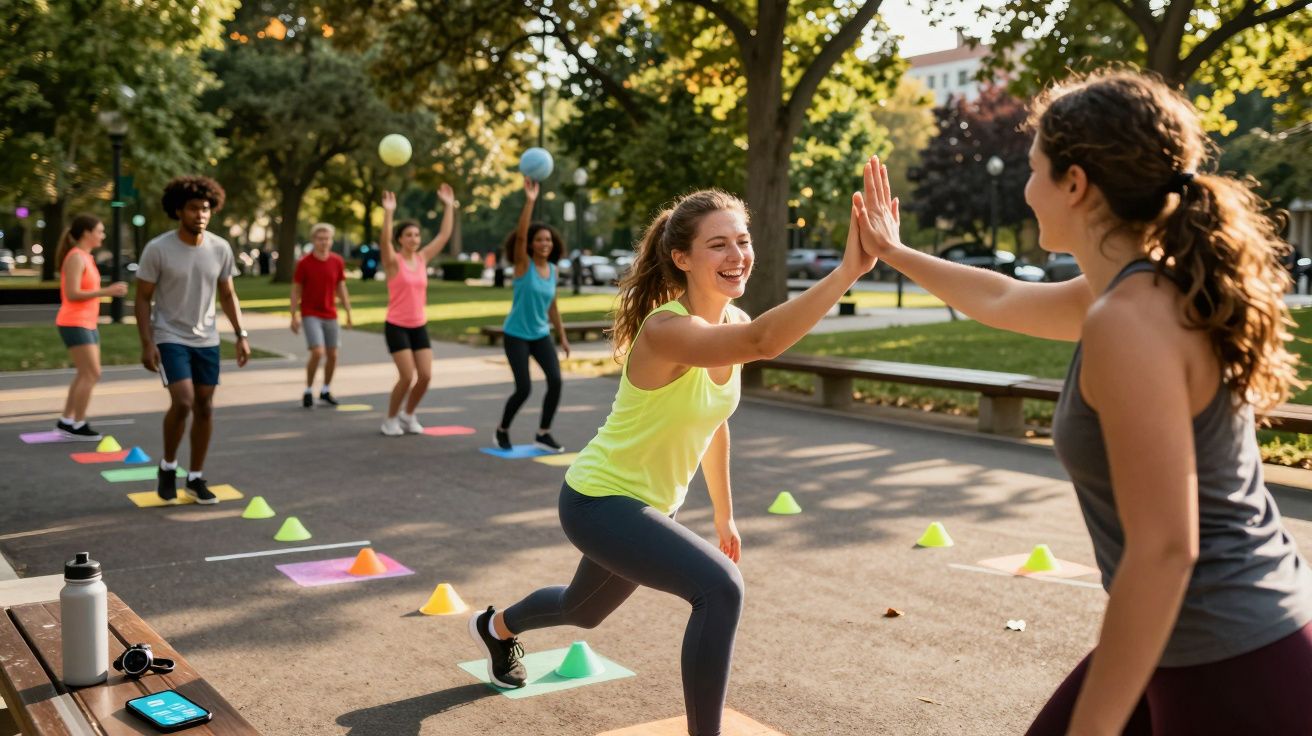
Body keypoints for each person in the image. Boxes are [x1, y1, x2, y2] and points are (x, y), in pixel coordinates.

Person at [851, 70, 1312, 734]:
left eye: (1035, 168)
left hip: (1230, 664)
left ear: (1076, 184)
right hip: (1209, 637)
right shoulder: (1131, 293)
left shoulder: (1128, 318)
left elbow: (1164, 549)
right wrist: (894, 252)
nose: (1026, 188)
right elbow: (1001, 299)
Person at [468, 188, 881, 736]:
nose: (738, 255)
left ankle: (496, 627)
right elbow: (764, 341)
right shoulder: (667, 330)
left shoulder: (732, 319)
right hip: (598, 500)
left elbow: (713, 421)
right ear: (682, 259)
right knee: (721, 588)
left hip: (647, 507)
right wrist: (849, 270)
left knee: (582, 608)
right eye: (719, 245)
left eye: (743, 240)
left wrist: (723, 514)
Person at [136, 176, 250, 504]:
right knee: (183, 401)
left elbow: (228, 294)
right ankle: (168, 466)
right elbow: (142, 298)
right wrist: (147, 341)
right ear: (178, 211)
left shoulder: (220, 248)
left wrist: (241, 335)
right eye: (193, 208)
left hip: (207, 338)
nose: (200, 214)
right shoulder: (158, 249)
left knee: (204, 406)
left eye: (205, 208)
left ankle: (195, 477)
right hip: (170, 335)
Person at [493, 178, 570, 452]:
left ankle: (543, 433)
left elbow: (552, 306)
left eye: (548, 239)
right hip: (515, 335)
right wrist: (529, 201)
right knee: (524, 389)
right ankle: (502, 429)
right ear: (531, 245)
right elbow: (521, 236)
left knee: (556, 381)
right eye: (539, 240)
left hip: (540, 334)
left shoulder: (552, 270)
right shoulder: (522, 265)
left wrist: (562, 336)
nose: (544, 243)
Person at [378, 185, 455, 436]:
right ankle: (390, 419)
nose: (414, 239)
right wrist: (389, 213)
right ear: (400, 239)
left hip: (418, 324)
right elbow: (384, 242)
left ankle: (408, 414)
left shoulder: (422, 258)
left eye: (417, 235)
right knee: (407, 375)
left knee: (425, 375)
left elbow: (444, 236)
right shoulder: (393, 263)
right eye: (409, 235)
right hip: (396, 325)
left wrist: (448, 206)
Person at [53, 214, 128, 439]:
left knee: (85, 373)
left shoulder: (86, 257)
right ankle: (78, 424)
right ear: (87, 233)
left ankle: (66, 420)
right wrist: (108, 291)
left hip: (86, 322)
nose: (102, 235)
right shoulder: (76, 257)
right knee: (92, 373)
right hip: (74, 322)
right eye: (100, 231)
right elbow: (72, 293)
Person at [290, 223, 353, 407]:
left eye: (327, 239)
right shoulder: (304, 263)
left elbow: (341, 287)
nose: (324, 242)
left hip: (330, 313)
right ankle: (308, 390)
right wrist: (293, 315)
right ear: (313, 240)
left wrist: (348, 311)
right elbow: (296, 290)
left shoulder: (337, 261)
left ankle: (325, 389)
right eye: (320, 239)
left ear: (331, 241)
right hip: (310, 313)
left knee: (333, 354)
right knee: (318, 352)